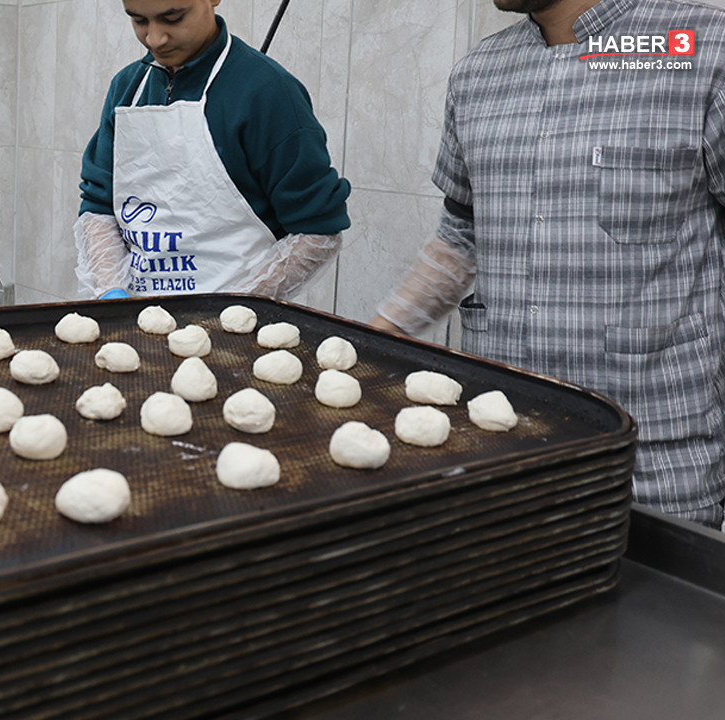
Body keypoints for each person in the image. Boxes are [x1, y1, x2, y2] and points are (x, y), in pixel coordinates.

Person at [371, 0, 725, 529]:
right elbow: (462, 233)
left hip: (653, 470)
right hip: (498, 452)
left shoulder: (705, 48)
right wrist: (373, 338)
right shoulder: (478, 74)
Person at [74, 0, 351, 301]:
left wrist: (235, 310)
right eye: (139, 21)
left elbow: (317, 231)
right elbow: (99, 208)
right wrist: (110, 292)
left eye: (172, 18)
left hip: (233, 336)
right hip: (134, 320)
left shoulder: (267, 91)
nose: (155, 39)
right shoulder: (128, 88)